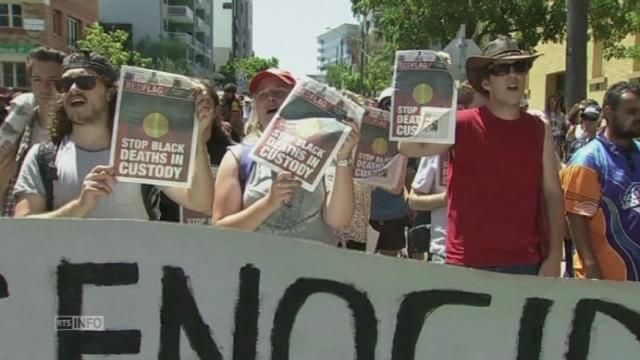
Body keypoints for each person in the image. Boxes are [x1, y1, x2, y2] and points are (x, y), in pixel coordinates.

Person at [398, 35, 565, 276]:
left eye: (520, 67)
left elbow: (553, 194)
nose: (513, 75)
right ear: (486, 83)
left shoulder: (540, 128)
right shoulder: (461, 124)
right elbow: (409, 147)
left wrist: (554, 257)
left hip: (525, 262)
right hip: (466, 261)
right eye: (502, 69)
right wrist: (428, 81)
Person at [12, 49, 214, 219]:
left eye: (85, 81)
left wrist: (196, 137)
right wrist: (80, 206)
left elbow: (201, 202)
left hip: (136, 267)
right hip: (64, 267)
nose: (73, 89)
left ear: (109, 92)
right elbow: (25, 228)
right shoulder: (42, 157)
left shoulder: (140, 150)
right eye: (65, 84)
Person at [212, 68, 359, 244]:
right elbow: (221, 230)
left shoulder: (326, 150)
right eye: (262, 95)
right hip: (258, 268)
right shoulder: (238, 157)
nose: (270, 98)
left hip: (315, 268)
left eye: (279, 92)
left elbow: (339, 220)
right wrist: (269, 202)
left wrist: (343, 157)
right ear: (256, 108)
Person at [561, 81, 640, 281]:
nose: (638, 117)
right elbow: (576, 218)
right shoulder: (588, 160)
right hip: (608, 276)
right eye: (631, 111)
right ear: (608, 112)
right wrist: (590, 265)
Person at [1, 47, 66, 217]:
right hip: (19, 229)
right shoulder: (16, 131)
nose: (45, 87)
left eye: (53, 80)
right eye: (37, 79)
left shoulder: (79, 132)